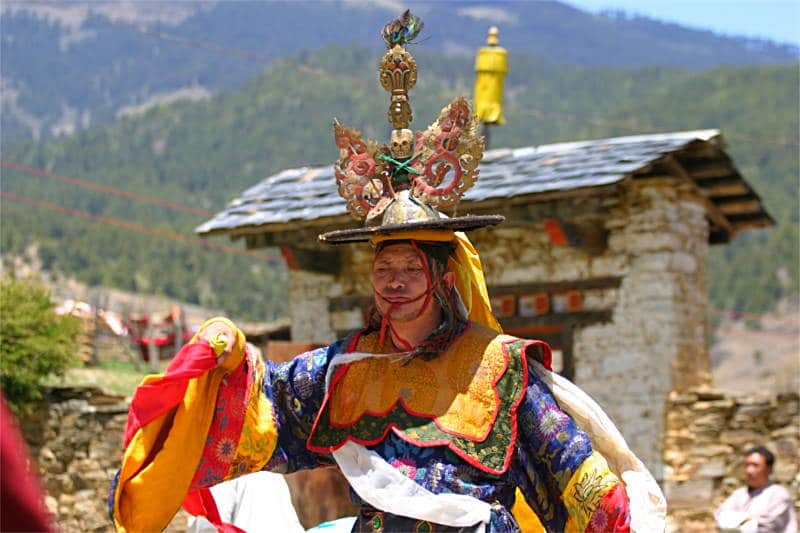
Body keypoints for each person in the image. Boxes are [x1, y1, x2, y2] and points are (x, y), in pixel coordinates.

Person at [109, 11, 665, 533]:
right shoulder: (345, 369)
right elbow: (262, 411)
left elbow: (576, 479)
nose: (393, 282)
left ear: (445, 278)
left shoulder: (501, 372)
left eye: (410, 268)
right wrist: (225, 358)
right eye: (384, 267)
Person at [715, 446, 797, 533]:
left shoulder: (778, 494)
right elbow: (720, 517)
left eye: (755, 465)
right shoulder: (739, 494)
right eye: (747, 465)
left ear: (768, 469)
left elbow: (766, 527)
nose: (749, 470)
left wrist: (736, 521)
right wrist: (749, 520)